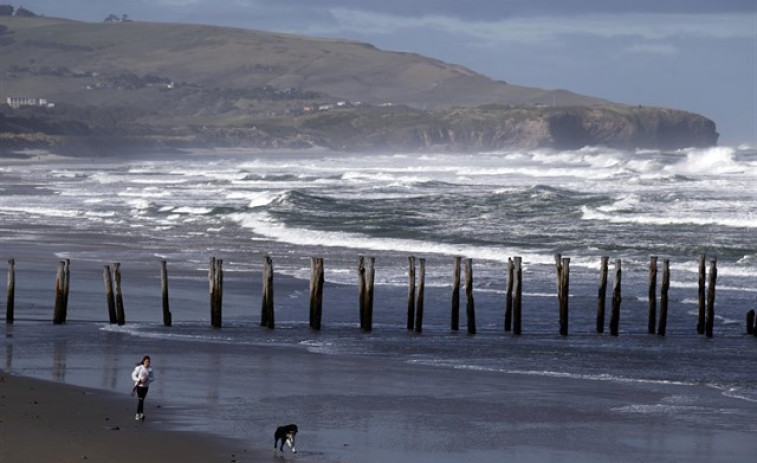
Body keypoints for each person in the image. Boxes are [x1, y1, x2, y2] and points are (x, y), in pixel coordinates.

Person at [131, 355, 155, 421]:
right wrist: (138, 380)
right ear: (144, 361)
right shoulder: (139, 368)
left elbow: (153, 378)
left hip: (146, 387)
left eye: (149, 362)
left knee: (142, 400)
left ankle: (140, 414)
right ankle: (138, 415)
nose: (148, 363)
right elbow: (133, 375)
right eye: (147, 361)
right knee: (140, 399)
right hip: (139, 386)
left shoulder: (150, 369)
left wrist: (148, 380)